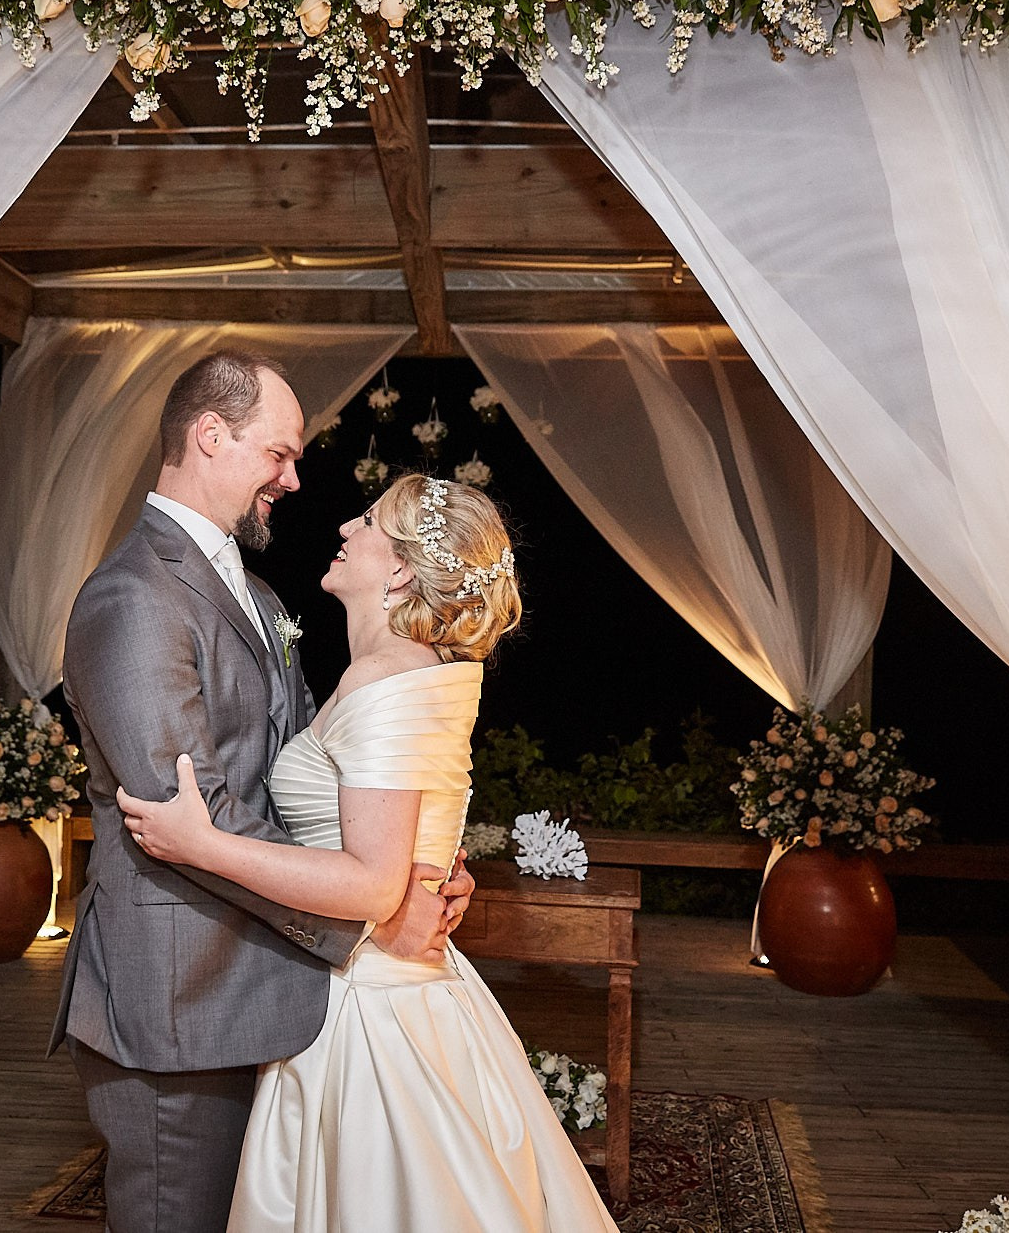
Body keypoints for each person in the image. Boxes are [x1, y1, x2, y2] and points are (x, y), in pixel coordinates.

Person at [119, 473, 621, 1233]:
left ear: (399, 570)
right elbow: (404, 836)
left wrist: (203, 844)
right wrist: (441, 868)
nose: (346, 525)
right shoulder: (413, 673)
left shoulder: (386, 677)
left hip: (373, 1009)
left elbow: (373, 883)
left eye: (369, 519)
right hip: (384, 979)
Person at [49, 352, 474, 1233]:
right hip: (180, 1001)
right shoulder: (132, 598)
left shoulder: (260, 591)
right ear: (211, 434)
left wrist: (414, 863)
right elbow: (187, 812)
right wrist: (370, 908)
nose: (294, 476)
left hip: (265, 986)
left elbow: (310, 766)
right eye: (279, 453)